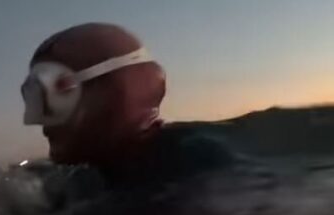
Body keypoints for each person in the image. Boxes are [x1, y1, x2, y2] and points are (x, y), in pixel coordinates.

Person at [21, 23, 239, 191]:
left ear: (119, 89)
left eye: (55, 94)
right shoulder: (81, 179)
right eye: (34, 98)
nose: (35, 119)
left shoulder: (194, 163)